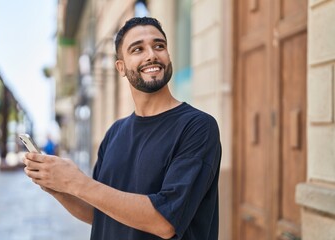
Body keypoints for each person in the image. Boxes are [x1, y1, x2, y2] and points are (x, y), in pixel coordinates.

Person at [23, 16, 222, 240]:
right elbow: (99, 212)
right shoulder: (115, 133)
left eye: (159, 46)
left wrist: (76, 181)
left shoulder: (198, 127)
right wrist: (58, 188)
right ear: (121, 67)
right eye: (138, 49)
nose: (151, 55)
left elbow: (165, 222)